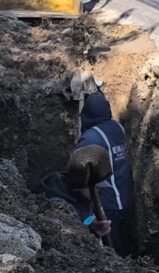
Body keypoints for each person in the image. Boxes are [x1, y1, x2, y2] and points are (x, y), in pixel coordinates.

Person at [39, 92, 135, 256]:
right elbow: (79, 221)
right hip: (122, 196)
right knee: (114, 241)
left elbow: (86, 218)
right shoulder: (116, 127)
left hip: (112, 201)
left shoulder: (91, 138)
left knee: (114, 243)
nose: (98, 190)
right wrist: (90, 224)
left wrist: (91, 224)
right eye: (96, 188)